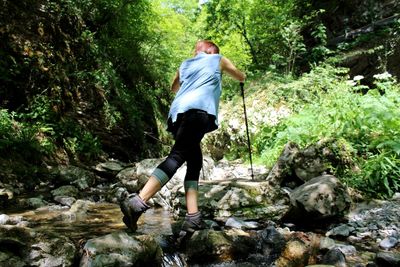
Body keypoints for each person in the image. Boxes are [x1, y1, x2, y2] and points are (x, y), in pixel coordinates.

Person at [120, 40, 246, 235]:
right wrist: (240, 78)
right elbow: (240, 76)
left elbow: (174, 88)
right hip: (199, 113)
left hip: (179, 115)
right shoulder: (217, 59)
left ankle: (193, 218)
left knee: (194, 162)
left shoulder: (185, 64)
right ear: (211, 50)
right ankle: (138, 202)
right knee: (177, 157)